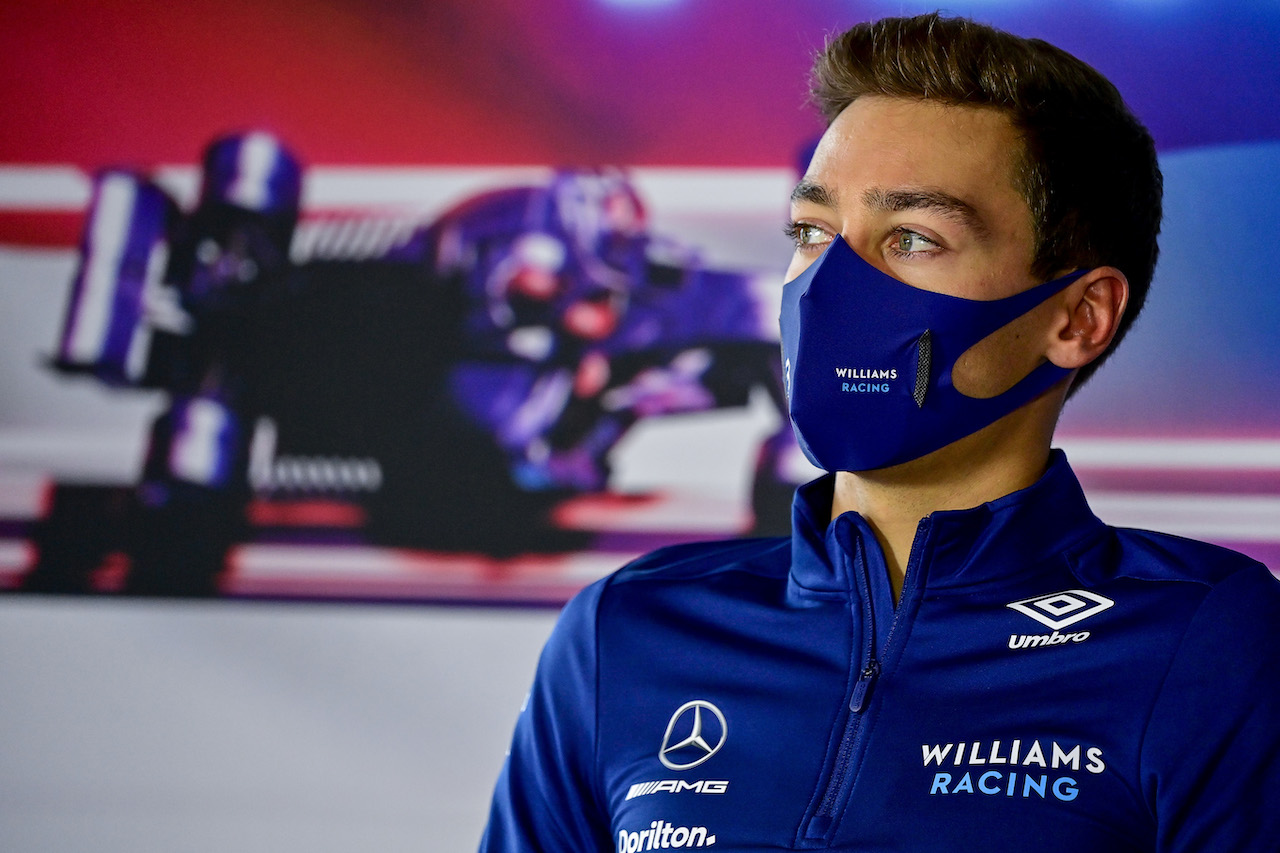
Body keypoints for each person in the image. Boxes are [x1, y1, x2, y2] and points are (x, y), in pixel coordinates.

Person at [479, 13, 1280, 851]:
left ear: (1078, 318)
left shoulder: (1202, 640)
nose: (829, 286)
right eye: (812, 232)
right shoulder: (627, 631)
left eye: (911, 239)